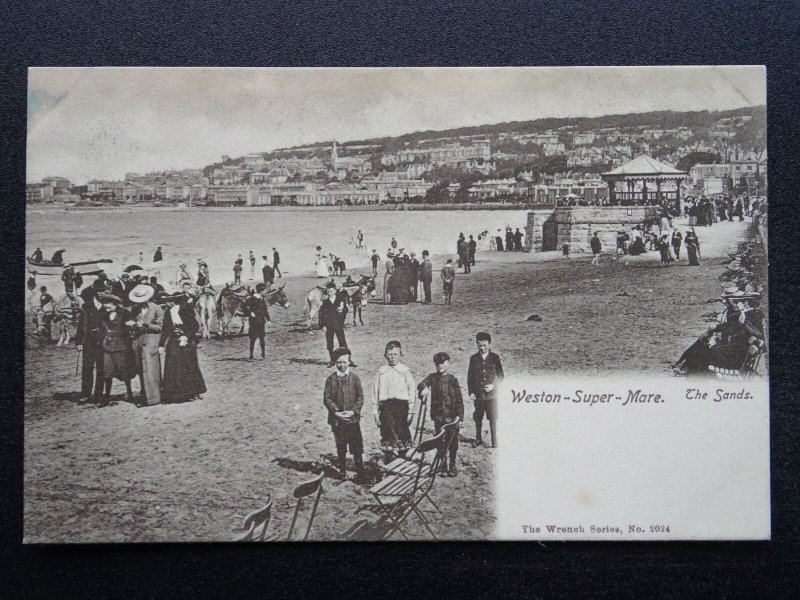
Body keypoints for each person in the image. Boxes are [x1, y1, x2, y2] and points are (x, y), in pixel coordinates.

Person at [417, 352, 464, 477]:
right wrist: (424, 388)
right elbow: (421, 384)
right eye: (437, 364)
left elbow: (459, 399)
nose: (440, 366)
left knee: (453, 442)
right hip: (438, 417)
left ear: (448, 363)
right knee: (440, 442)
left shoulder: (453, 380)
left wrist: (460, 415)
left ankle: (452, 465)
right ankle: (442, 465)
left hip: (452, 417)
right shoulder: (432, 377)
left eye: (443, 363)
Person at [159, 283, 207, 403]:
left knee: (189, 365)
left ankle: (192, 392)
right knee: (173, 365)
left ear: (172, 301)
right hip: (174, 341)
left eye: (167, 301)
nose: (166, 303)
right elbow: (165, 329)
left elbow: (194, 326)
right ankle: (175, 393)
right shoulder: (168, 313)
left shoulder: (185, 310)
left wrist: (186, 336)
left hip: (187, 341)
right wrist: (161, 344)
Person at [323, 347, 365, 481]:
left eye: (344, 362)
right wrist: (336, 412)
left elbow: (360, 397)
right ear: (335, 362)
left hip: (352, 420)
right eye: (339, 362)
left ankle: (360, 470)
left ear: (349, 362)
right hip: (338, 421)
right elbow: (327, 398)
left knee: (356, 446)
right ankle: (342, 471)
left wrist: (353, 411)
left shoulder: (354, 378)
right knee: (341, 446)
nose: (342, 365)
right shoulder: (331, 379)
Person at [371, 340, 416, 448]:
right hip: (386, 406)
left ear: (400, 354)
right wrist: (375, 412)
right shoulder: (381, 372)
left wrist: (411, 410)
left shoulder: (405, 371)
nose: (392, 357)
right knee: (387, 428)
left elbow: (412, 391)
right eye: (390, 354)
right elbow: (375, 393)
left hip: (402, 405)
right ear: (385, 356)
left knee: (402, 428)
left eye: (395, 354)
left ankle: (403, 449)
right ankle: (390, 450)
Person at [97, 293, 137, 407]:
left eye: (108, 305)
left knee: (124, 371)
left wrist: (131, 326)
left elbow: (132, 326)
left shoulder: (124, 313)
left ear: (114, 304)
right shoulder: (103, 314)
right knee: (107, 371)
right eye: (105, 306)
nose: (107, 308)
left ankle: (130, 394)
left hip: (121, 346)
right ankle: (107, 396)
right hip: (107, 346)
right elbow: (100, 327)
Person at [127, 284, 163, 406]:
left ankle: (154, 398)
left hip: (151, 342)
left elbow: (159, 327)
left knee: (151, 370)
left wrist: (146, 325)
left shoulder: (156, 308)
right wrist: (132, 325)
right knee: (141, 370)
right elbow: (132, 324)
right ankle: (144, 396)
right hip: (138, 341)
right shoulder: (134, 309)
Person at [467, 332, 504, 448]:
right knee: (478, 416)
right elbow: (470, 377)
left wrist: (493, 385)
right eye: (480, 346)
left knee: (493, 417)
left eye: (484, 345)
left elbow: (501, 375)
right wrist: (471, 392)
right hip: (478, 395)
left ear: (489, 344)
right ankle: (478, 438)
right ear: (477, 345)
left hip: (492, 396)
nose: (482, 348)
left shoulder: (495, 358)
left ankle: (494, 439)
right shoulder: (473, 359)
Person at [76, 282, 106, 404]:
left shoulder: (107, 306)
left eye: (103, 290)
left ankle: (99, 395)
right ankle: (85, 394)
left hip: (103, 342)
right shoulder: (87, 306)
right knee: (87, 368)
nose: (101, 293)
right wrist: (79, 342)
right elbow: (80, 325)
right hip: (88, 341)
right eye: (99, 291)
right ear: (95, 292)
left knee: (101, 369)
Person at [319, 284, 351, 367]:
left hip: (338, 325)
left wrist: (343, 309)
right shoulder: (325, 302)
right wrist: (322, 326)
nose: (330, 293)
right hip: (328, 325)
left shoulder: (340, 299)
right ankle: (332, 360)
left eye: (331, 291)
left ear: (335, 291)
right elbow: (321, 314)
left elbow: (346, 309)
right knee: (330, 344)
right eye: (328, 291)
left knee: (342, 342)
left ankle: (348, 360)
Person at [246, 283, 271, 360]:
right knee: (253, 338)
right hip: (254, 322)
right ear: (261, 291)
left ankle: (263, 354)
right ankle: (251, 355)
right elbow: (246, 306)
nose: (265, 292)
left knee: (262, 338)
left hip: (261, 321)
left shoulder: (262, 299)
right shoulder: (252, 299)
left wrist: (269, 320)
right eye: (264, 290)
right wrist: (250, 312)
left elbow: (265, 310)